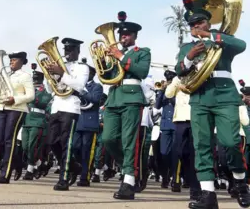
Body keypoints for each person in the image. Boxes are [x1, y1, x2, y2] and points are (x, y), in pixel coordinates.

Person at [175, 8, 249, 208]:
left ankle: (241, 182)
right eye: (192, 25)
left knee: (231, 142)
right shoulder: (187, 47)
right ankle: (208, 194)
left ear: (208, 23)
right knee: (202, 146)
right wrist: (189, 56)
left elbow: (242, 44)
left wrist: (211, 36)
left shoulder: (221, 40)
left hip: (225, 96)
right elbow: (179, 70)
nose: (196, 27)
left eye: (200, 23)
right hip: (199, 98)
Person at [102, 11, 151, 200]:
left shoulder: (143, 52)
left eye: (127, 35)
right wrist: (105, 61)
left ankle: (129, 182)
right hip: (113, 98)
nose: (123, 37)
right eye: (121, 35)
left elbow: (141, 71)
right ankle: (131, 169)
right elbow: (106, 77)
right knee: (108, 139)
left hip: (131, 98)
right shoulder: (115, 54)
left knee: (129, 141)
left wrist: (120, 56)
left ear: (134, 36)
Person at [45, 38, 90, 191]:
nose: (67, 53)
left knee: (66, 143)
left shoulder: (82, 68)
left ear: (78, 51)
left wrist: (61, 73)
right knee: (52, 142)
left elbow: (79, 85)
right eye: (65, 50)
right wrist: (48, 76)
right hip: (56, 105)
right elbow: (50, 90)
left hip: (71, 106)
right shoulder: (59, 66)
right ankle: (74, 166)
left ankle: (63, 179)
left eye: (71, 50)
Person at [0, 51, 34, 184]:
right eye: (10, 60)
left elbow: (31, 96)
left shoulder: (25, 76)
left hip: (16, 109)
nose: (11, 62)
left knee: (9, 141)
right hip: (2, 108)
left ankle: (5, 174)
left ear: (22, 62)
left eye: (14, 60)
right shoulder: (5, 75)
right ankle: (17, 163)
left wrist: (15, 99)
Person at [165, 74, 201, 200]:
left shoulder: (199, 74)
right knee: (181, 153)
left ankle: (196, 188)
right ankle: (189, 180)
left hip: (195, 117)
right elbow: (168, 94)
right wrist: (176, 80)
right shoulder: (177, 79)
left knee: (194, 154)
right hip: (180, 119)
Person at [72, 64, 103, 186]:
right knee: (74, 147)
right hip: (78, 119)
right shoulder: (78, 85)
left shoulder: (97, 86)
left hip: (89, 121)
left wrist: (82, 91)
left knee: (87, 150)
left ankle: (85, 176)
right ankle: (79, 167)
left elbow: (95, 99)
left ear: (91, 74)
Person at [22, 70, 52, 180]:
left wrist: (31, 94)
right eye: (33, 78)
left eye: (36, 78)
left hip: (38, 121)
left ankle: (30, 171)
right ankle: (40, 164)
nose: (34, 80)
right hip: (27, 120)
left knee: (32, 147)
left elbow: (43, 104)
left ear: (41, 79)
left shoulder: (45, 91)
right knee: (25, 147)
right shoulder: (28, 90)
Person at [154, 70, 176, 188]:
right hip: (165, 127)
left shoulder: (178, 90)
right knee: (163, 153)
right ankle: (165, 176)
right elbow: (157, 106)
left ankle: (174, 178)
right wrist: (162, 90)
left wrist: (170, 91)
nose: (169, 82)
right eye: (168, 80)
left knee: (175, 154)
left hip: (176, 125)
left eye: (170, 80)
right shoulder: (164, 90)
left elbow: (176, 103)